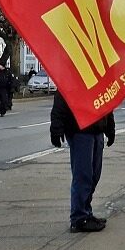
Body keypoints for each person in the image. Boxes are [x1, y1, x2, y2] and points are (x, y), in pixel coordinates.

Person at [50, 89, 114, 233]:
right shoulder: (72, 75)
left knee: (93, 176)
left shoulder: (99, 76)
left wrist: (110, 127)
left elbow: (107, 101)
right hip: (79, 130)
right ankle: (79, 218)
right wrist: (56, 129)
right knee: (83, 175)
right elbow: (60, 103)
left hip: (97, 128)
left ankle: (86, 212)